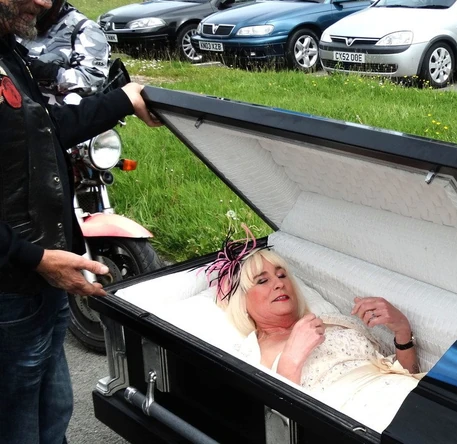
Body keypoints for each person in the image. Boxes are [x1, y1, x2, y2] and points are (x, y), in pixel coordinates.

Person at [0, 0, 161, 442]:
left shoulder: (8, 49)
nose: (43, 2)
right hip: (12, 288)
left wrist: (121, 100)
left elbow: (44, 129)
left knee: (52, 411)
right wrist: (33, 258)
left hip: (40, 280)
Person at [204, 231, 423, 433]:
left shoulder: (336, 322)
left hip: (415, 400)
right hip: (366, 427)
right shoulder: (249, 355)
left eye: (282, 275)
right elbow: (274, 429)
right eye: (262, 281)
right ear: (242, 302)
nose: (279, 284)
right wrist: (290, 361)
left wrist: (402, 330)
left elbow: (404, 372)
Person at [17, 0, 110, 104]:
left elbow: (93, 81)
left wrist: (52, 73)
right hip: (21, 107)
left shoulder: (85, 29)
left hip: (58, 110)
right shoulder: (17, 23)